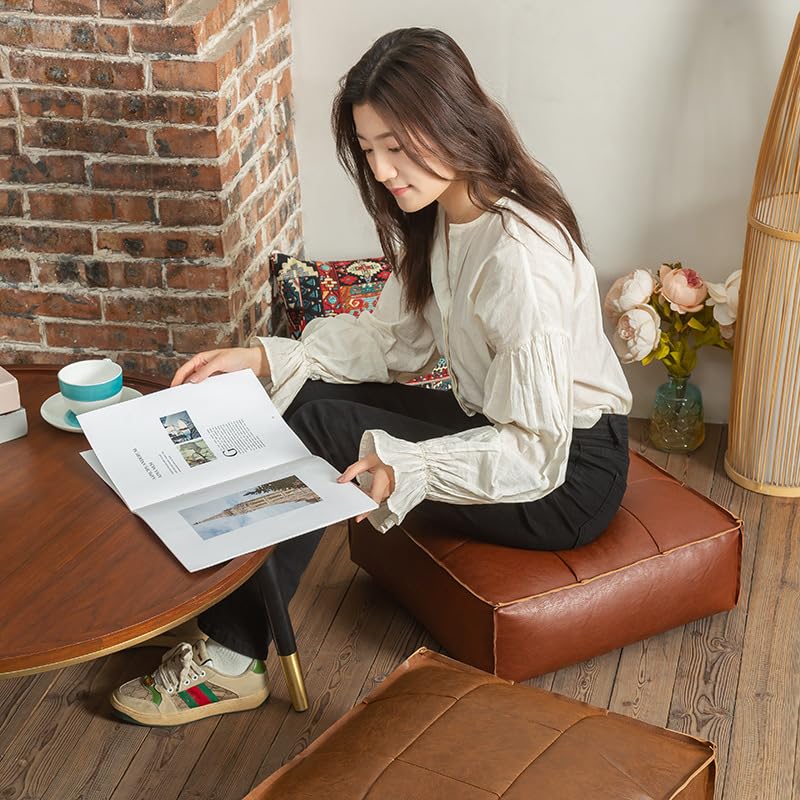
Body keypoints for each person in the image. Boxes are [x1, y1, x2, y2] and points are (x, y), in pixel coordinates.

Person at [111, 27, 632, 727]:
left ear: (450, 117)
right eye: (368, 151)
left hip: (569, 473)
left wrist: (409, 466)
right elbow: (397, 341)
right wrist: (265, 357)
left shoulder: (517, 258)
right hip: (503, 427)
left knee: (323, 425)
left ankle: (231, 660)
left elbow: (536, 452)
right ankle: (228, 617)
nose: (383, 171)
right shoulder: (450, 214)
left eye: (396, 145)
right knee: (312, 401)